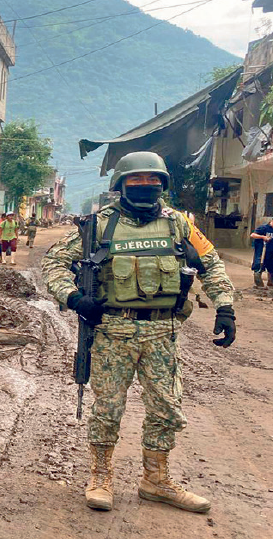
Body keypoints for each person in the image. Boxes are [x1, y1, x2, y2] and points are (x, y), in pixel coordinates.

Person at [42, 151, 236, 514]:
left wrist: (225, 306)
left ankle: (156, 481)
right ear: (121, 185)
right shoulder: (99, 225)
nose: (145, 186)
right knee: (108, 408)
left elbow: (210, 264)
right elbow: (53, 262)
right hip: (114, 331)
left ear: (162, 184)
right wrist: (73, 298)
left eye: (153, 180)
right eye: (137, 180)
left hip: (163, 332)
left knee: (167, 408)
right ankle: (100, 476)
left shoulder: (179, 224)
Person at [249, 218, 273, 288]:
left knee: (271, 267)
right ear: (271, 221)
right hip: (261, 251)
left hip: (270, 253)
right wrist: (263, 237)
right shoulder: (263, 228)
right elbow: (252, 235)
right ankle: (259, 284)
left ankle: (270, 282)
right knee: (259, 266)